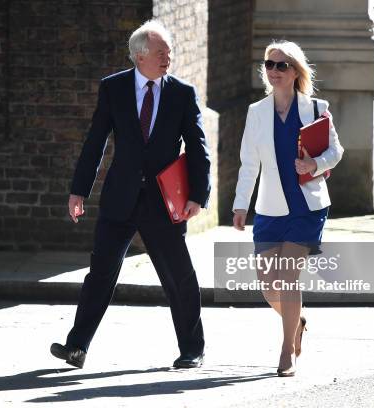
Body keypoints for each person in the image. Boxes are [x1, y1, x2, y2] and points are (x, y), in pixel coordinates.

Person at [50, 20, 211, 369]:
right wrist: (79, 191)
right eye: (160, 53)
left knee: (178, 276)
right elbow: (96, 141)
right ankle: (77, 346)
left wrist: (199, 195)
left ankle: (192, 349)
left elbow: (198, 147)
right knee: (101, 274)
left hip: (164, 201)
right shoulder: (114, 88)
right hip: (119, 197)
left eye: (169, 52)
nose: (168, 58)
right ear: (140, 56)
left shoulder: (181, 93)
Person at [232, 40, 343, 377]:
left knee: (287, 277)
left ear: (295, 71)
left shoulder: (315, 108)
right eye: (269, 64)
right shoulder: (256, 112)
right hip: (269, 209)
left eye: (282, 65)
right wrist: (241, 205)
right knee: (268, 286)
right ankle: (297, 322)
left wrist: (315, 164)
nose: (274, 71)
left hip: (306, 207)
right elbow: (249, 163)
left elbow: (336, 151)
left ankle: (286, 351)